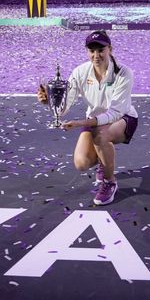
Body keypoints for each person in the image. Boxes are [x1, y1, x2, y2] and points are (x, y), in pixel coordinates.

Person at [37, 30, 138, 206]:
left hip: (123, 119)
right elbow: (65, 104)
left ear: (110, 49)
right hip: (95, 122)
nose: (96, 55)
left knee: (100, 135)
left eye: (101, 50)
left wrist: (80, 123)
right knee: (82, 163)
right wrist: (51, 101)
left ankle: (110, 182)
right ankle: (103, 160)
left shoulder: (124, 73)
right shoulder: (80, 72)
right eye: (92, 51)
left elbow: (115, 113)